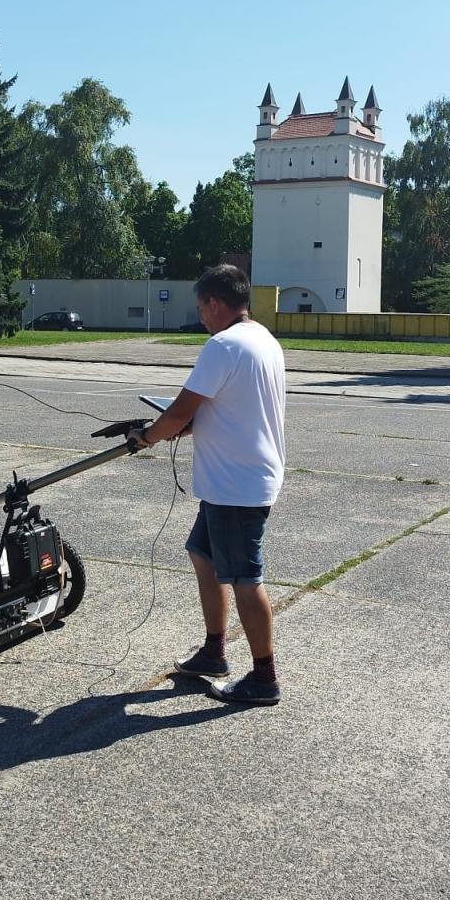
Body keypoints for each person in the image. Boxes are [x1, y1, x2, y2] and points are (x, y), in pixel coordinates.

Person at [128, 264, 287, 705]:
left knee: (245, 578)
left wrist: (148, 436)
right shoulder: (263, 339)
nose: (201, 318)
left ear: (216, 303)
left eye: (201, 308)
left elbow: (181, 410)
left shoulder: (223, 345)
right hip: (237, 479)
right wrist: (183, 425)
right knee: (202, 553)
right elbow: (231, 408)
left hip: (236, 484)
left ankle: (264, 678)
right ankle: (214, 652)